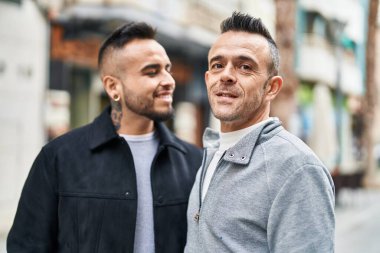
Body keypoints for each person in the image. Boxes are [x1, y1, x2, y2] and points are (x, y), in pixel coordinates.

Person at [7, 22, 202, 253]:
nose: (169, 81)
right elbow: (27, 246)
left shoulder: (194, 161)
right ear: (112, 87)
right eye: (152, 71)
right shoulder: (59, 158)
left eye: (167, 69)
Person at [185, 12, 335, 252]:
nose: (226, 75)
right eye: (218, 65)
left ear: (272, 88)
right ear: (207, 78)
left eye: (245, 67)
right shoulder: (211, 154)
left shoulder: (297, 168)